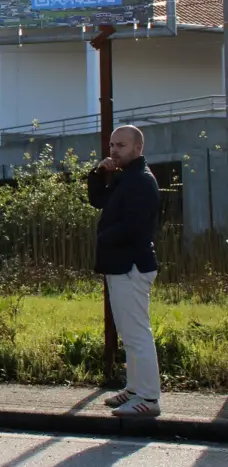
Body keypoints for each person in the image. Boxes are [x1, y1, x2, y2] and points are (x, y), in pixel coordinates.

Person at [89, 125, 162, 418]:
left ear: (137, 149)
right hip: (121, 265)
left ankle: (148, 398)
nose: (114, 150)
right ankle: (134, 389)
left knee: (137, 334)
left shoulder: (141, 181)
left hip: (131, 266)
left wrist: (104, 236)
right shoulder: (126, 178)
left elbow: (135, 224)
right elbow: (99, 201)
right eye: (111, 145)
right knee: (129, 333)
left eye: (121, 145)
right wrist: (97, 173)